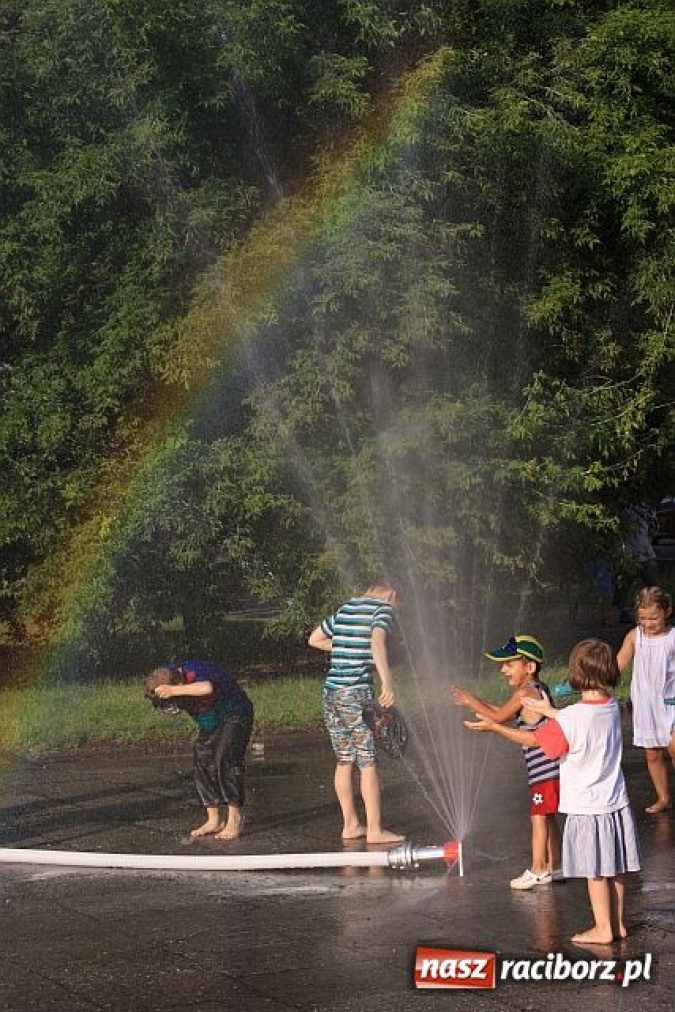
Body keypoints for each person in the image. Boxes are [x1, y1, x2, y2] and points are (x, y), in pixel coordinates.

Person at [464, 638, 641, 945]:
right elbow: (581, 720)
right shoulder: (611, 706)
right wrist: (549, 710)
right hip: (616, 803)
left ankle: (602, 929)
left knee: (596, 871)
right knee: (616, 868)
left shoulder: (572, 718)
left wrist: (495, 728)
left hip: (589, 809)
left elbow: (536, 741)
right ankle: (618, 923)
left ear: (576, 674)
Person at [451, 634, 562, 890]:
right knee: (547, 815)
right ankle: (554, 865)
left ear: (529, 668)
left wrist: (471, 701)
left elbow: (499, 717)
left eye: (510, 664)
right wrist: (479, 706)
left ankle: (537, 869)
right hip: (550, 767)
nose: (503, 670)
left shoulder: (525, 691)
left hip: (543, 770)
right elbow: (504, 713)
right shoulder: (537, 690)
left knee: (537, 816)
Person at [308, 580, 405, 845]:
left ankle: (350, 824)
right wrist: (387, 682)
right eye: (399, 605)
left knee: (344, 759)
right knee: (368, 760)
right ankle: (374, 830)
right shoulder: (382, 610)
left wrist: (343, 647)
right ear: (392, 596)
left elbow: (314, 639)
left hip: (331, 693)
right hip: (355, 692)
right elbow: (377, 644)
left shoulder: (347, 607)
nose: (397, 611)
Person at [145, 658, 254, 840]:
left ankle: (235, 818)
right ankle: (214, 819)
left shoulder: (194, 671)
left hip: (235, 714)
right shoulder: (166, 677)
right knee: (202, 757)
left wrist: (173, 691)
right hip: (212, 720)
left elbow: (206, 688)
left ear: (178, 684)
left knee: (224, 759)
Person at [617, 585, 675, 814]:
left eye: (654, 618)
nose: (648, 624)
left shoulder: (672, 637)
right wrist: (596, 680)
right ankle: (663, 798)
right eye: (643, 618)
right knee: (652, 753)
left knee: (674, 747)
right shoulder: (635, 636)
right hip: (646, 704)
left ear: (667, 611)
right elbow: (618, 665)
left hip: (670, 701)